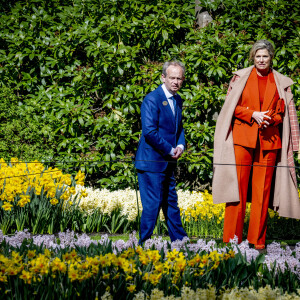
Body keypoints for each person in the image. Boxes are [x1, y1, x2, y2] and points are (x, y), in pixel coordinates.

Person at [213, 40, 300, 249]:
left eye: (265, 56)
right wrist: (253, 115)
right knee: (237, 190)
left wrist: (271, 118)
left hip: (269, 141)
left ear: (271, 58)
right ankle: (232, 239)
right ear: (253, 57)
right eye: (258, 56)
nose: (261, 60)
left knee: (262, 192)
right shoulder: (241, 77)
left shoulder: (279, 81)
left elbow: (283, 114)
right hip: (242, 139)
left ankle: (258, 241)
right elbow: (232, 107)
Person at [135, 60, 188, 244]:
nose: (175, 82)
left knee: (171, 203)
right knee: (152, 206)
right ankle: (144, 244)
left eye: (179, 78)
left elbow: (178, 129)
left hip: (169, 162)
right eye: (172, 77)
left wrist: (180, 146)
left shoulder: (178, 99)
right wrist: (170, 149)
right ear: (163, 77)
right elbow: (149, 132)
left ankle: (180, 242)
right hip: (151, 162)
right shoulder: (152, 99)